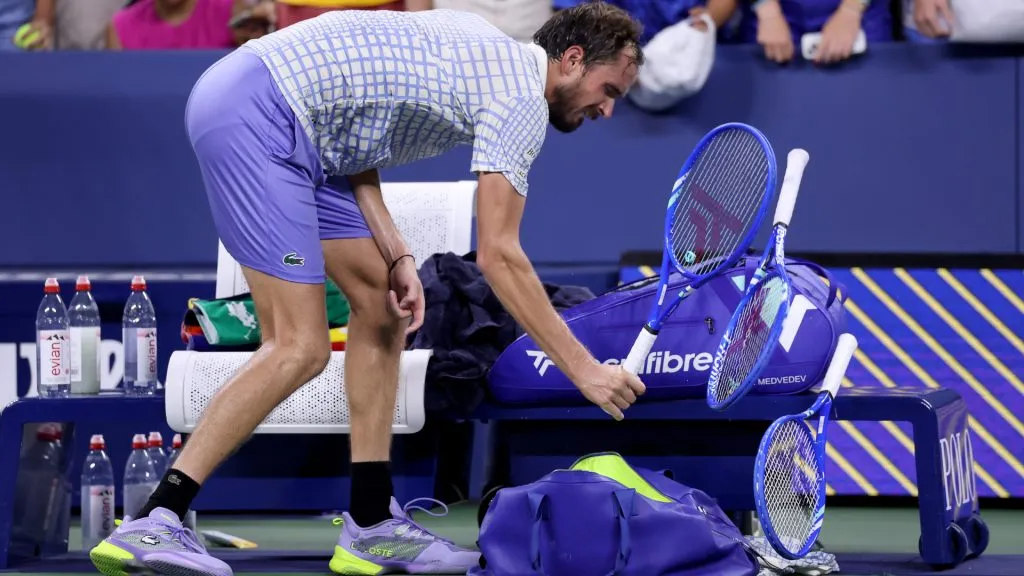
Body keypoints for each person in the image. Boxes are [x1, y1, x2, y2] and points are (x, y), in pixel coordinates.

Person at [89, 4, 647, 576]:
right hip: (260, 111)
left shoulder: (481, 44)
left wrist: (397, 252)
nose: (605, 109)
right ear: (572, 60)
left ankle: (371, 522)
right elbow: (500, 256)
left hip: (298, 127)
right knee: (299, 345)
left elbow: (354, 142)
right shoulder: (521, 98)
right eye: (608, 91)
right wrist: (585, 371)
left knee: (383, 306)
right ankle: (157, 519)